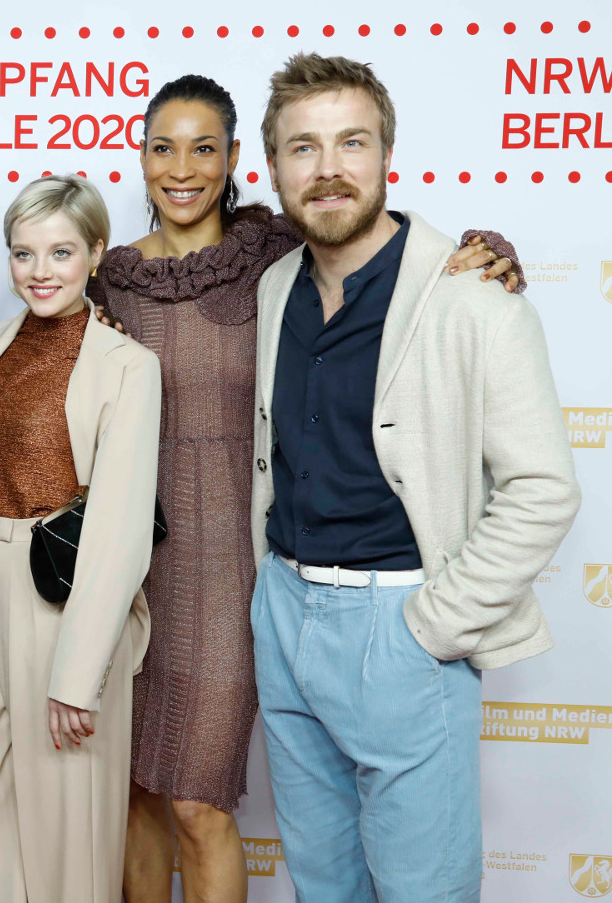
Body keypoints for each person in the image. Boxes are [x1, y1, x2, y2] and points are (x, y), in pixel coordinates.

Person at [87, 74, 522, 903]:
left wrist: (486, 249)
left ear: (234, 159)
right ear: (140, 159)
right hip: (133, 567)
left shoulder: (275, 250)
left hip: (238, 570)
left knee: (198, 801)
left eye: (203, 148)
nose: (182, 167)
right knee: (138, 793)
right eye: (163, 147)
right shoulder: (109, 279)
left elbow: (380, 247)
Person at [249, 53, 580, 901]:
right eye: (303, 147)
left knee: (423, 888)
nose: (328, 169)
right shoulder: (275, 284)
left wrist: (431, 625)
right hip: (283, 612)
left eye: (351, 142)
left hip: (401, 621)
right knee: (322, 883)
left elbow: (543, 488)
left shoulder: (472, 295)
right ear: (273, 167)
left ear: (388, 155)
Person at [0, 175, 160, 902]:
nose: (40, 271)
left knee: (68, 836)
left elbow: (121, 530)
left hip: (61, 600)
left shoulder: (129, 365)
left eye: (61, 252)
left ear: (96, 253)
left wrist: (79, 673)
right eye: (23, 253)